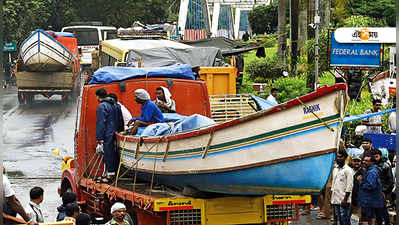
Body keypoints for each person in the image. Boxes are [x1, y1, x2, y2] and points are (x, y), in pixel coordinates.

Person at [95, 88, 121, 183]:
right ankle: (114, 173)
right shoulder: (116, 104)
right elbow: (120, 119)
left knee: (108, 153)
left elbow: (101, 122)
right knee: (115, 153)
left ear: (98, 96)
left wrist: (99, 138)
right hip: (116, 132)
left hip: (107, 133)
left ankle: (109, 175)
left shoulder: (102, 106)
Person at [358, 154, 384, 225]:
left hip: (368, 201)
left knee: (365, 220)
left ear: (372, 162)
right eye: (364, 160)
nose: (364, 162)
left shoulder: (372, 172)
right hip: (370, 201)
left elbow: (370, 186)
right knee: (371, 218)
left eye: (366, 161)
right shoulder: (372, 170)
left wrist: (361, 181)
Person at [330, 150, 353, 225]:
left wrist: (345, 199)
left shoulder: (348, 170)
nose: (339, 158)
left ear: (345, 158)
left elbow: (349, 186)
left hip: (344, 199)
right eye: (337, 157)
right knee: (339, 218)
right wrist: (331, 199)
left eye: (341, 157)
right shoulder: (335, 169)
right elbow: (333, 185)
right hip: (335, 199)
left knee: (345, 219)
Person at [373, 149, 393, 225]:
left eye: (376, 156)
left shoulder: (386, 165)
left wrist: (384, 191)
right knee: (377, 211)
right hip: (374, 192)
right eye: (374, 157)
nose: (375, 158)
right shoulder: (372, 164)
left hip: (382, 192)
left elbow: (390, 181)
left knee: (383, 210)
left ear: (380, 156)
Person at [350, 155, 363, 220]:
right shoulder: (349, 170)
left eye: (358, 161)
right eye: (354, 161)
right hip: (350, 195)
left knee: (360, 216)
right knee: (347, 214)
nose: (356, 163)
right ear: (351, 162)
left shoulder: (363, 171)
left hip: (360, 196)